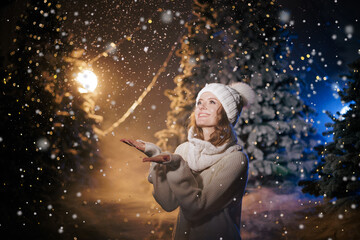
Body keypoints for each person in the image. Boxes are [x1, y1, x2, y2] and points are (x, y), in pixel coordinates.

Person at [121, 82, 255, 240]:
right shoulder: (184, 150)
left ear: (227, 113)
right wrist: (156, 156)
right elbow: (168, 203)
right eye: (200, 102)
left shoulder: (235, 159)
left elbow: (196, 208)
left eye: (212, 102)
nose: (202, 107)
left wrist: (176, 165)